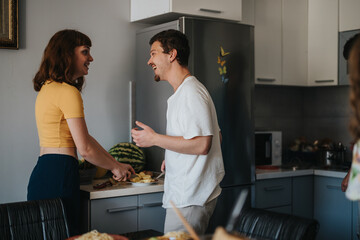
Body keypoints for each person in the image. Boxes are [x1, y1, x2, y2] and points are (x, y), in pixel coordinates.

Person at [27, 29, 135, 235]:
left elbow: (85, 139)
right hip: (61, 173)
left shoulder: (48, 88)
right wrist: (116, 168)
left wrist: (116, 164)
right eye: (85, 52)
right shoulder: (68, 92)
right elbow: (84, 149)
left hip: (44, 172)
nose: (91, 58)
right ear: (67, 54)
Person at [131, 29, 225, 235]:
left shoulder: (191, 92)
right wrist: (175, 156)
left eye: (153, 53)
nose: (149, 61)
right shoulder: (184, 92)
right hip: (187, 196)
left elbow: (202, 144)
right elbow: (215, 136)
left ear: (171, 54)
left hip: (190, 198)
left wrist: (154, 138)